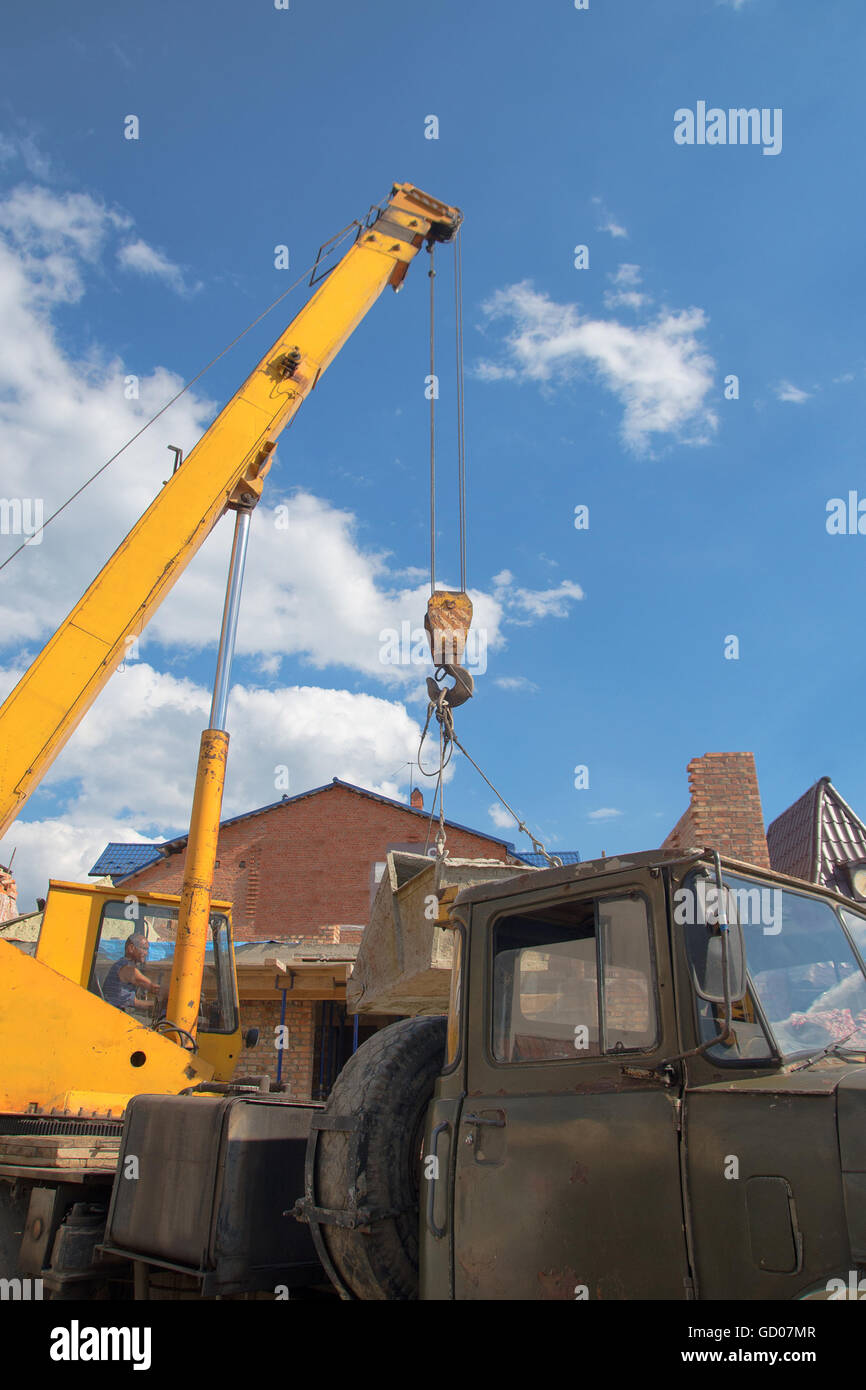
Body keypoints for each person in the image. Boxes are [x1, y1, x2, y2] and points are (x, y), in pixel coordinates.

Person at [102, 933, 160, 1015]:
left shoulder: (121, 963)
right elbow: (154, 988)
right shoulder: (128, 969)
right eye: (144, 948)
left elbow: (134, 1002)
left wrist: (156, 1005)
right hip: (116, 1013)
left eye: (147, 949)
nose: (146, 953)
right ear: (131, 948)